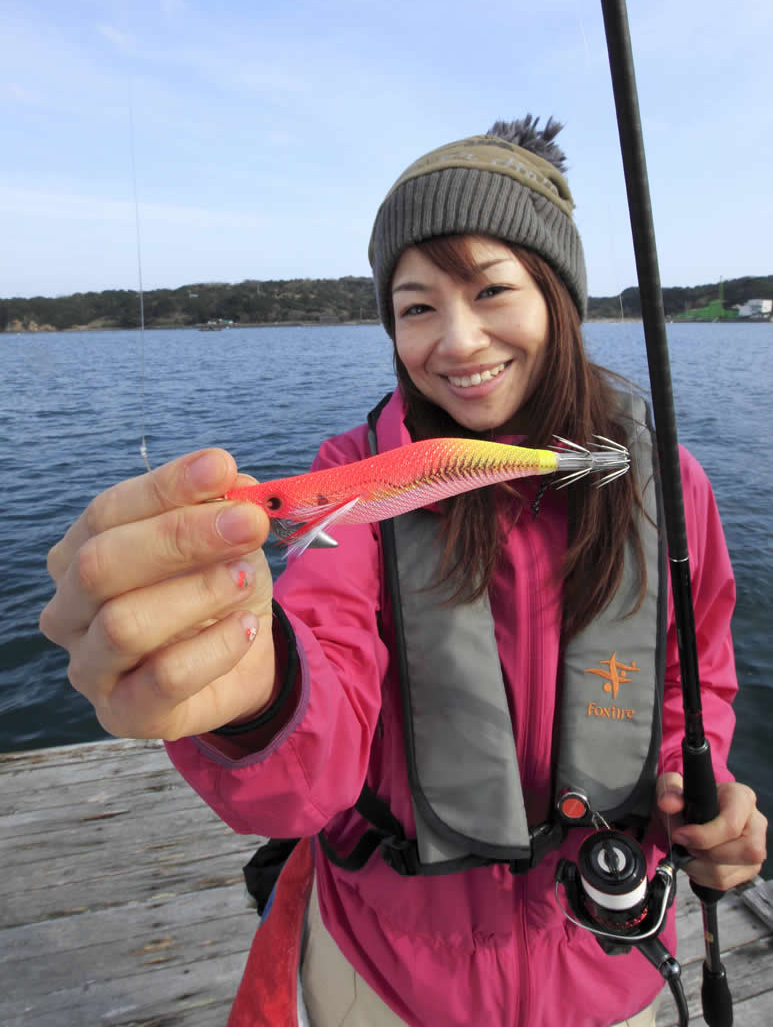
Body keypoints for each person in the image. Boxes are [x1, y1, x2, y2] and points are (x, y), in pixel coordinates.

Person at [41, 117, 766, 1027]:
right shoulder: (350, 475)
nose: (456, 343)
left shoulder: (671, 486)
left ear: (558, 298)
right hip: (389, 972)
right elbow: (319, 669)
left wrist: (693, 791)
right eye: (417, 306)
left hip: (603, 969)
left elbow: (690, 681)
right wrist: (248, 683)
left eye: (491, 291)